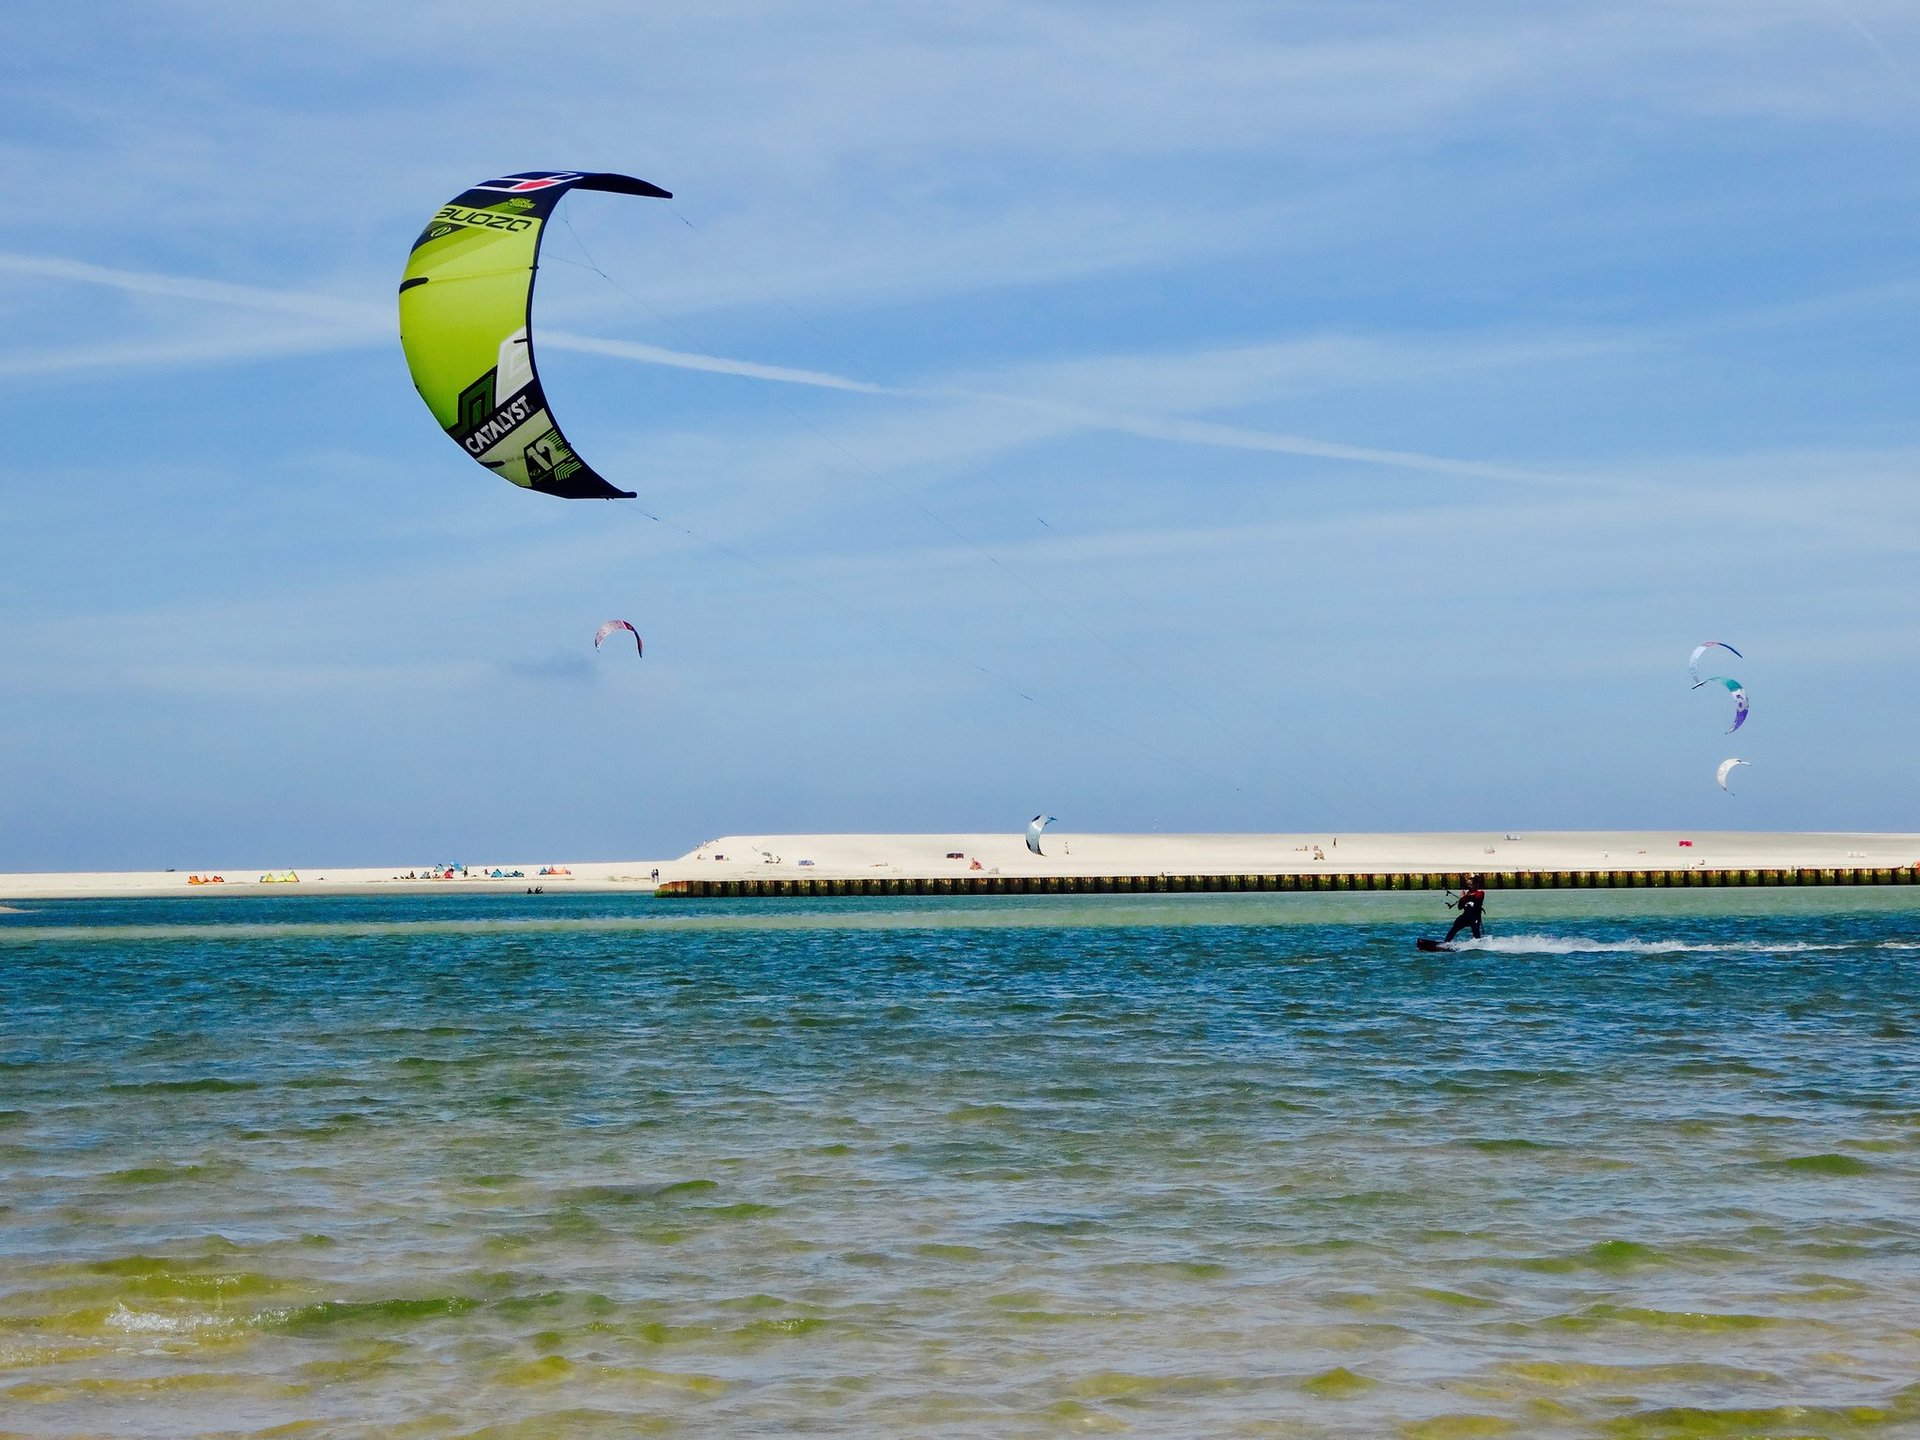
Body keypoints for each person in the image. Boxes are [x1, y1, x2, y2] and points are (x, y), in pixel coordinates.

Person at [1444, 876, 1487, 943]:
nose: (1469, 886)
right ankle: (1446, 943)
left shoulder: (1480, 893)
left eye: (1471, 884)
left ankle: (1479, 944)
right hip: (1465, 916)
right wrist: (1461, 899)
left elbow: (1475, 898)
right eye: (1468, 884)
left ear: (1476, 885)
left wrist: (1465, 897)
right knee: (1454, 928)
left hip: (1475, 917)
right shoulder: (1466, 894)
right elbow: (1460, 907)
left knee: (1476, 933)